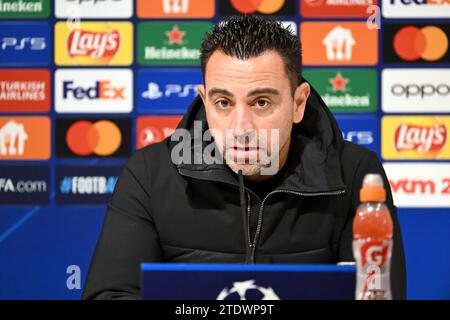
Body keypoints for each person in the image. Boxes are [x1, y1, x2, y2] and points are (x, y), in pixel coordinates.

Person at [82, 15, 406, 300]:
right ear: (204, 100)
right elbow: (110, 294)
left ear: (298, 103)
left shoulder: (354, 174)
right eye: (223, 102)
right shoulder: (151, 173)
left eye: (261, 102)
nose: (241, 128)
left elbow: (377, 295)